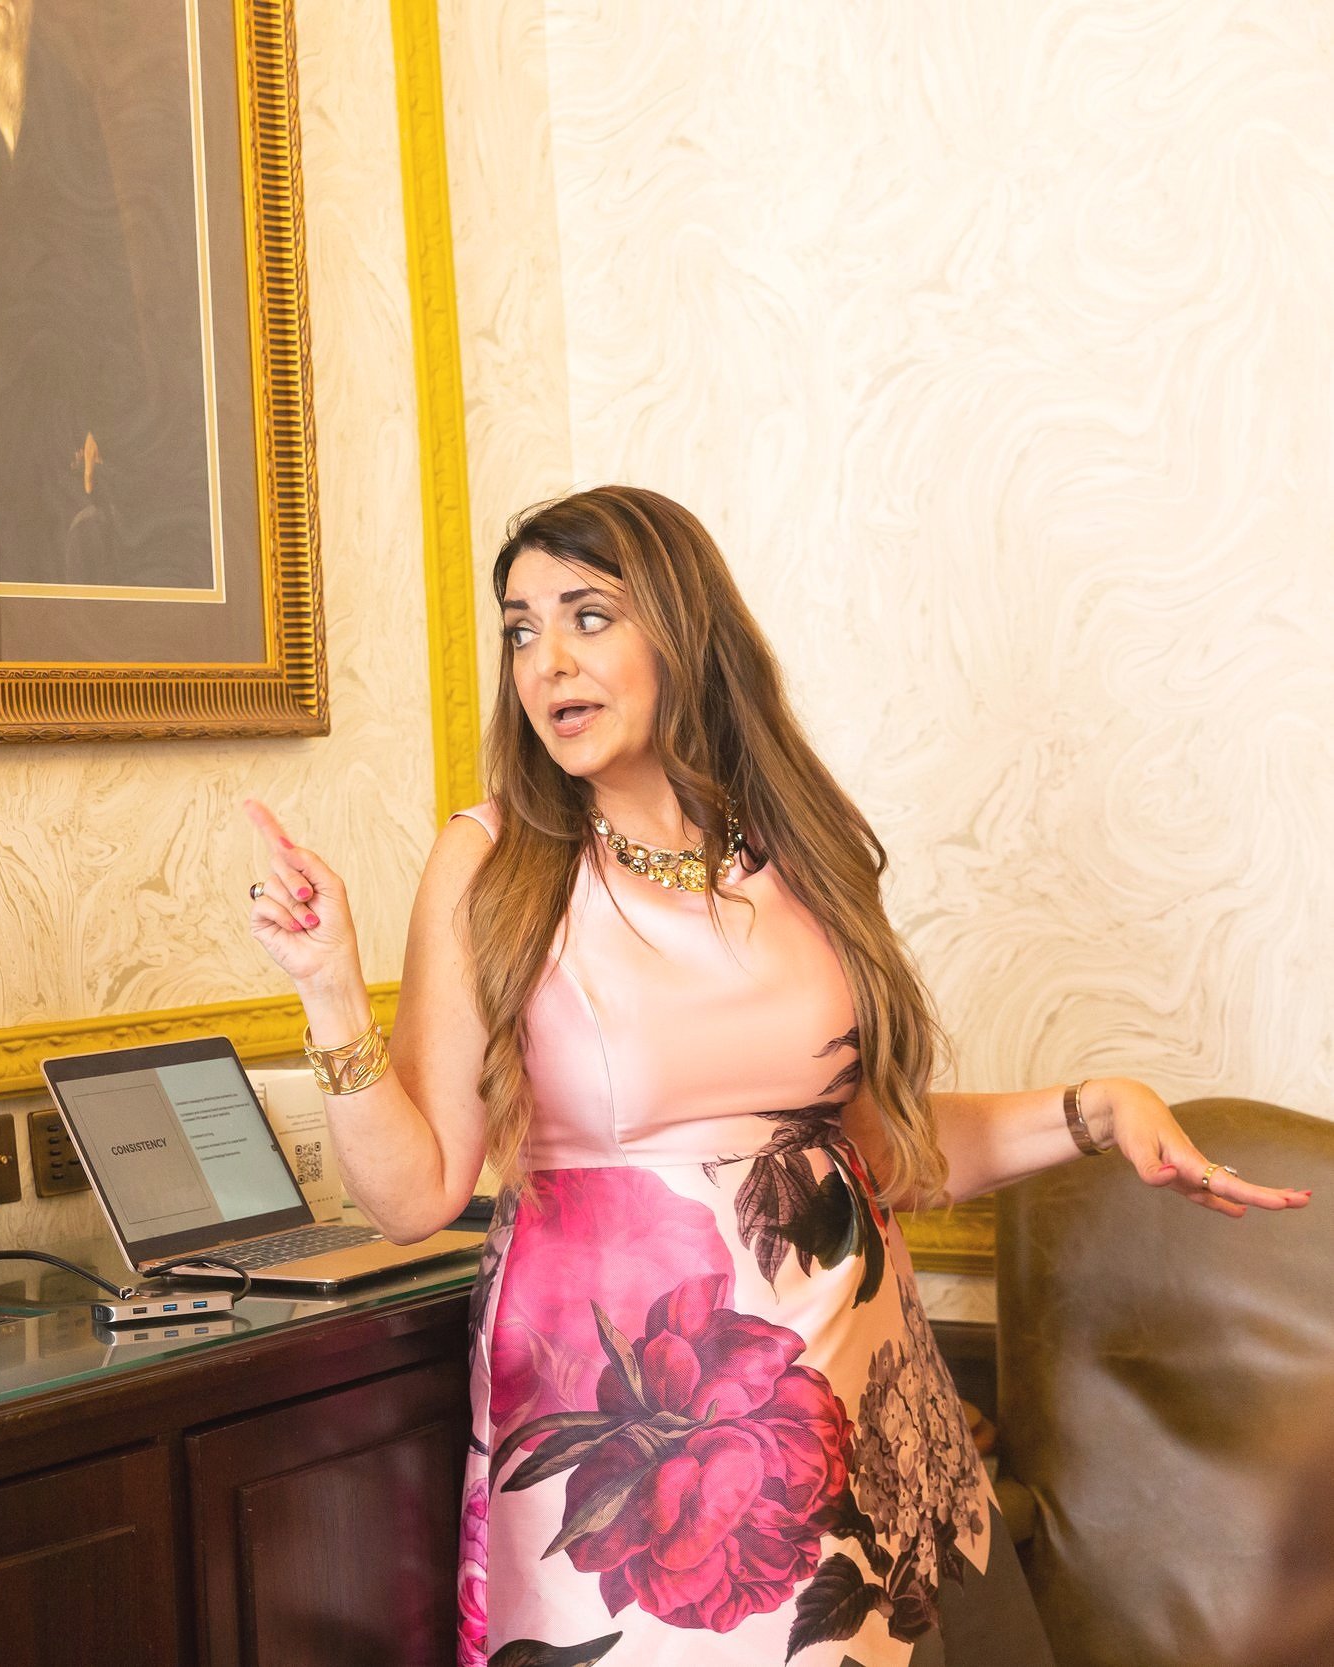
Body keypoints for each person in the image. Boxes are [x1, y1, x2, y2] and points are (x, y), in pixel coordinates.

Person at [241, 486, 1310, 1667]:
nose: (547, 661)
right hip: (639, 1445)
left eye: (588, 616)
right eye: (521, 629)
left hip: (847, 1396)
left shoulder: (800, 849)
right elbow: (413, 1195)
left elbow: (877, 1151)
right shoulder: (492, 860)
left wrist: (1093, 1109)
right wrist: (328, 989)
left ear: (681, 629)